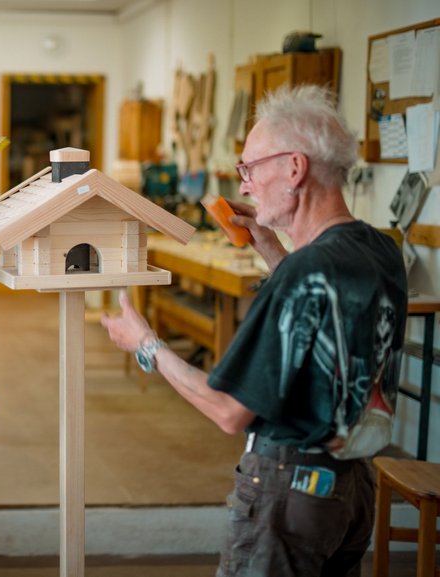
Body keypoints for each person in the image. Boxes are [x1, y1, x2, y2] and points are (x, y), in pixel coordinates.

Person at [102, 84, 407, 577]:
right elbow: (321, 305)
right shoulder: (377, 250)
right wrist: (268, 244)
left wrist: (148, 346)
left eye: (250, 168)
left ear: (294, 168)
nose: (243, 185)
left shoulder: (304, 273)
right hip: (350, 491)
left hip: (290, 496)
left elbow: (229, 411)